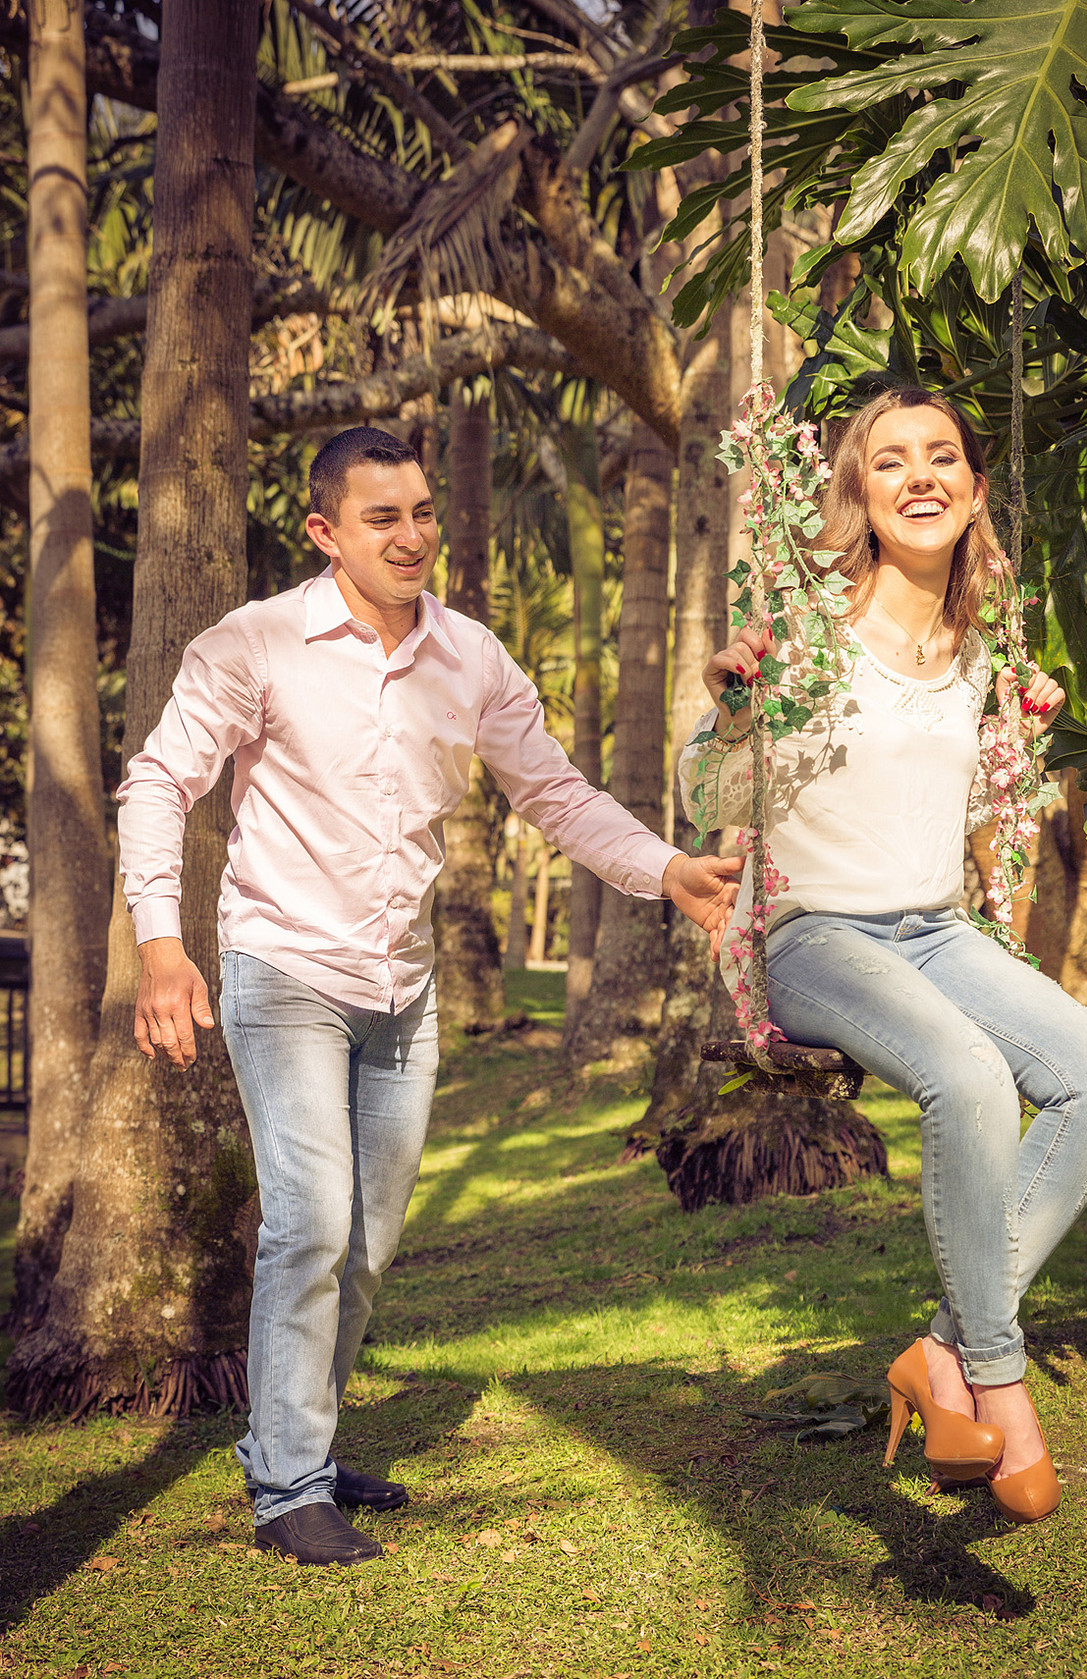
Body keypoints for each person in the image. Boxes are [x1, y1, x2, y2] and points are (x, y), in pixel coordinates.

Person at [117, 425, 743, 1566]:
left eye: (420, 511)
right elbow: (161, 779)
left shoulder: (473, 658)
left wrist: (666, 869)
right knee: (313, 1218)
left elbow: (553, 793)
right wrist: (162, 942)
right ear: (325, 532)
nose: (411, 535)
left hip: (401, 991)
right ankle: (292, 1489)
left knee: (369, 1242)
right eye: (381, 517)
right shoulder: (256, 643)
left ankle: (289, 1438)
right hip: (285, 967)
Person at [680, 387, 1087, 1524]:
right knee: (971, 1076)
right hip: (818, 935)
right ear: (861, 496)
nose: (921, 475)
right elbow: (712, 796)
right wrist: (735, 712)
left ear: (977, 490)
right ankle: (997, 1376)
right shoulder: (802, 629)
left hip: (932, 930)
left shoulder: (980, 649)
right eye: (891, 462)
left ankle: (940, 1349)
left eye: (944, 456)